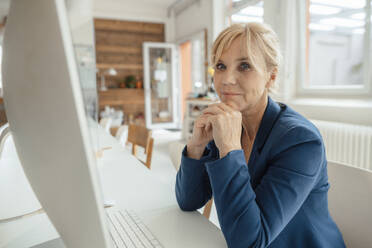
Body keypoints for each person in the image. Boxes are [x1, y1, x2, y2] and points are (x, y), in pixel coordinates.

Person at [175, 23, 345, 248]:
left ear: (271, 77)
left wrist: (229, 149)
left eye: (244, 66)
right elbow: (189, 201)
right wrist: (196, 146)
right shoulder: (228, 123)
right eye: (221, 66)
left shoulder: (301, 140)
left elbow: (249, 243)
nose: (226, 79)